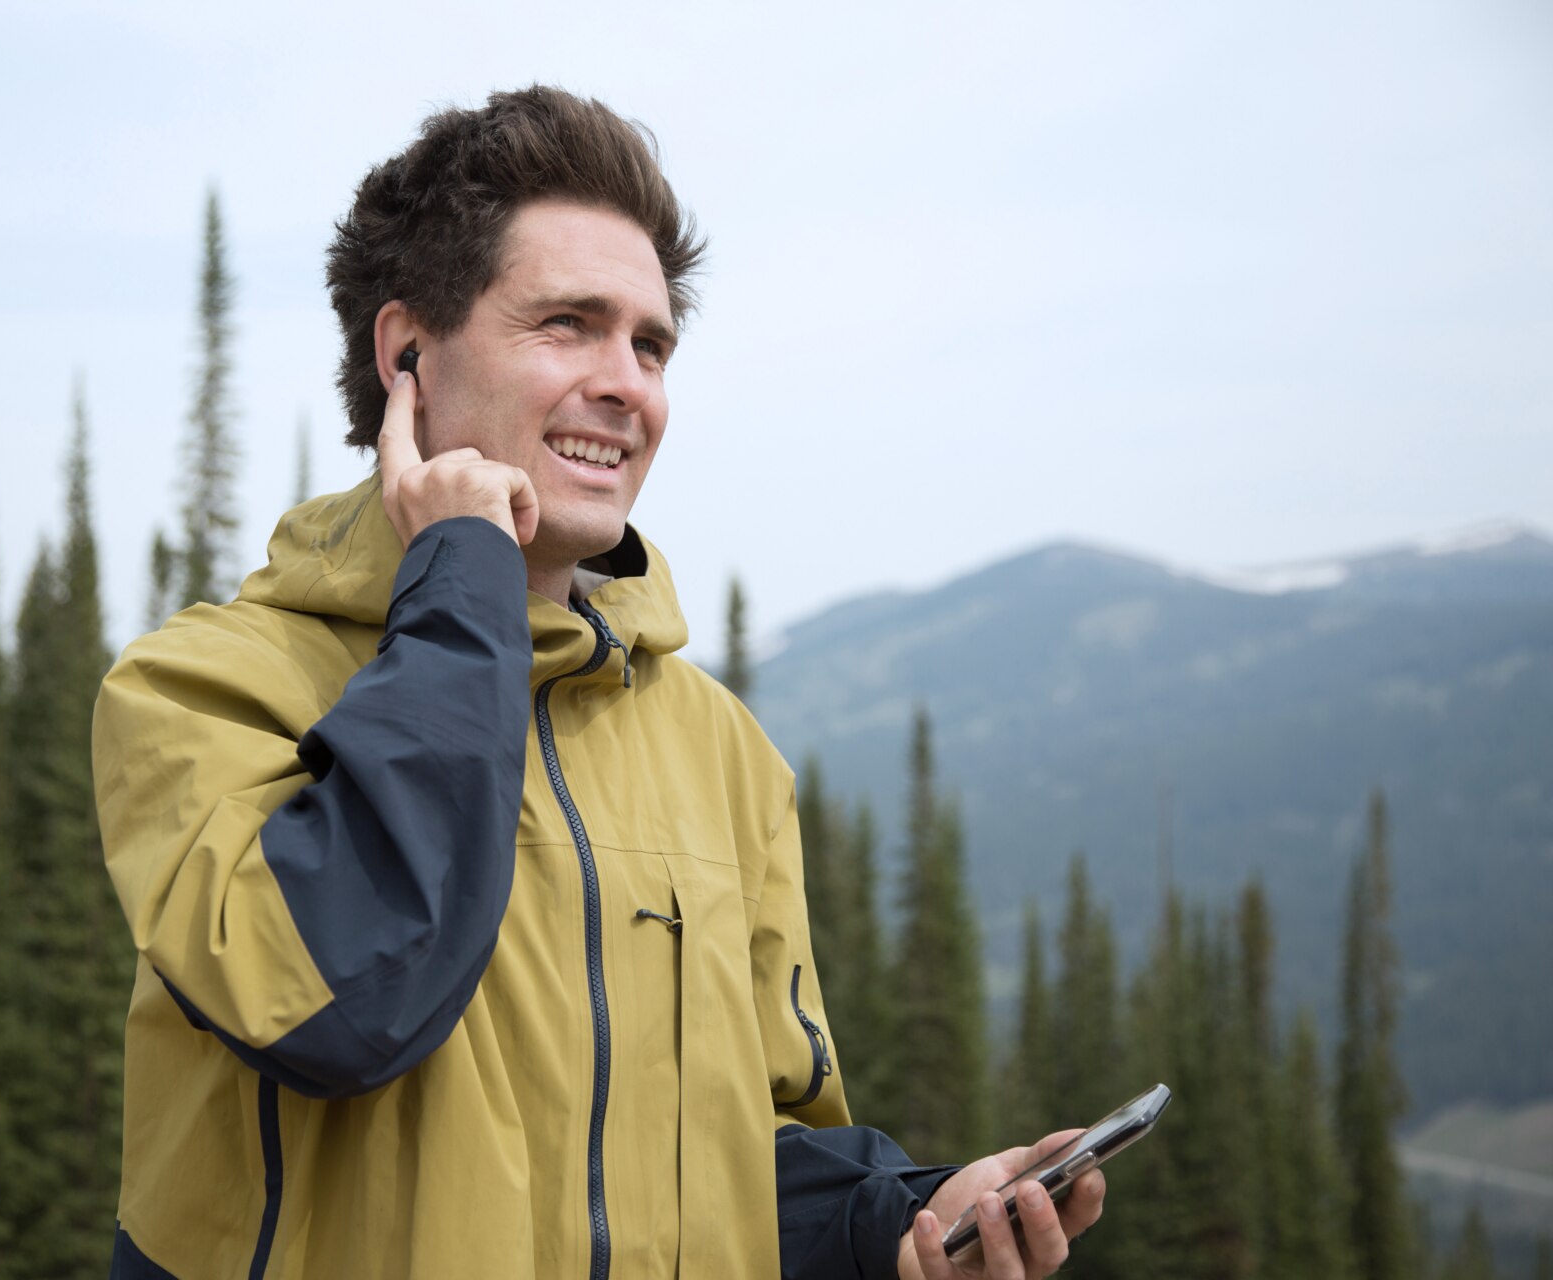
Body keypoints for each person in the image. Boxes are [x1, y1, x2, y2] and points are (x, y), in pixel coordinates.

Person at [92, 86, 1105, 1280]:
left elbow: (735, 1156)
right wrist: (461, 573)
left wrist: (896, 1224)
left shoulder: (724, 751)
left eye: (652, 342)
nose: (630, 383)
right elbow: (343, 993)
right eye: (569, 324)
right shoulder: (199, 691)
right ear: (406, 353)